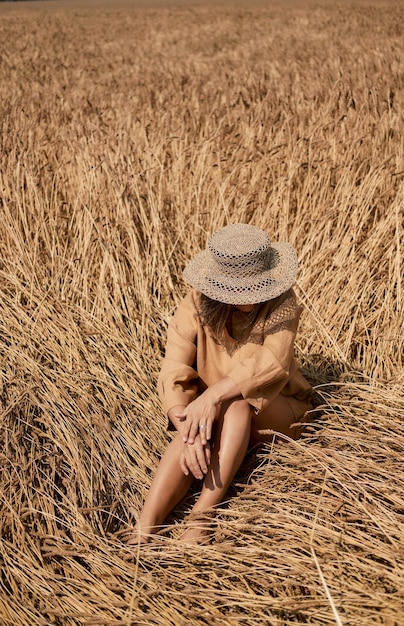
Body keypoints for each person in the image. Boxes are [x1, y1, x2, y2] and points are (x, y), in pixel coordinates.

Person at [129, 223, 313, 545]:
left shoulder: (283, 302)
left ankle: (202, 516)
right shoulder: (197, 303)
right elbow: (174, 365)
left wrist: (211, 395)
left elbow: (273, 362)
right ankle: (145, 527)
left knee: (238, 404)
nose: (252, 296)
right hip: (215, 413)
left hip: (278, 410)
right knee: (193, 428)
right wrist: (183, 422)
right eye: (242, 289)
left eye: (258, 286)